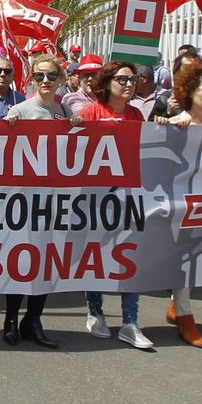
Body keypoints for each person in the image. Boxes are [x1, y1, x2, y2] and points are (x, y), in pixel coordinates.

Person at [74, 60, 152, 350]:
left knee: (129, 255)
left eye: (133, 79)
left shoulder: (135, 114)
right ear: (107, 83)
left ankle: (130, 322)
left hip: (127, 195)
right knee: (97, 254)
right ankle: (95, 312)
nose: (129, 84)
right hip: (94, 197)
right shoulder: (91, 112)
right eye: (122, 79)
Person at [155, 59, 202, 348]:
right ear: (191, 92)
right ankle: (185, 313)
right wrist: (166, 127)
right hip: (177, 202)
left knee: (198, 257)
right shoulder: (176, 124)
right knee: (182, 256)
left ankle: (178, 305)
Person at [0, 52, 72, 348]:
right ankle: (11, 319)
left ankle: (34, 319)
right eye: (40, 75)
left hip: (54, 200)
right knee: (22, 259)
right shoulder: (21, 110)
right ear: (32, 78)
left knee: (44, 261)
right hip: (26, 200)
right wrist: (8, 125)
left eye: (51, 76)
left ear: (60, 80)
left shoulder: (65, 112)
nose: (45, 81)